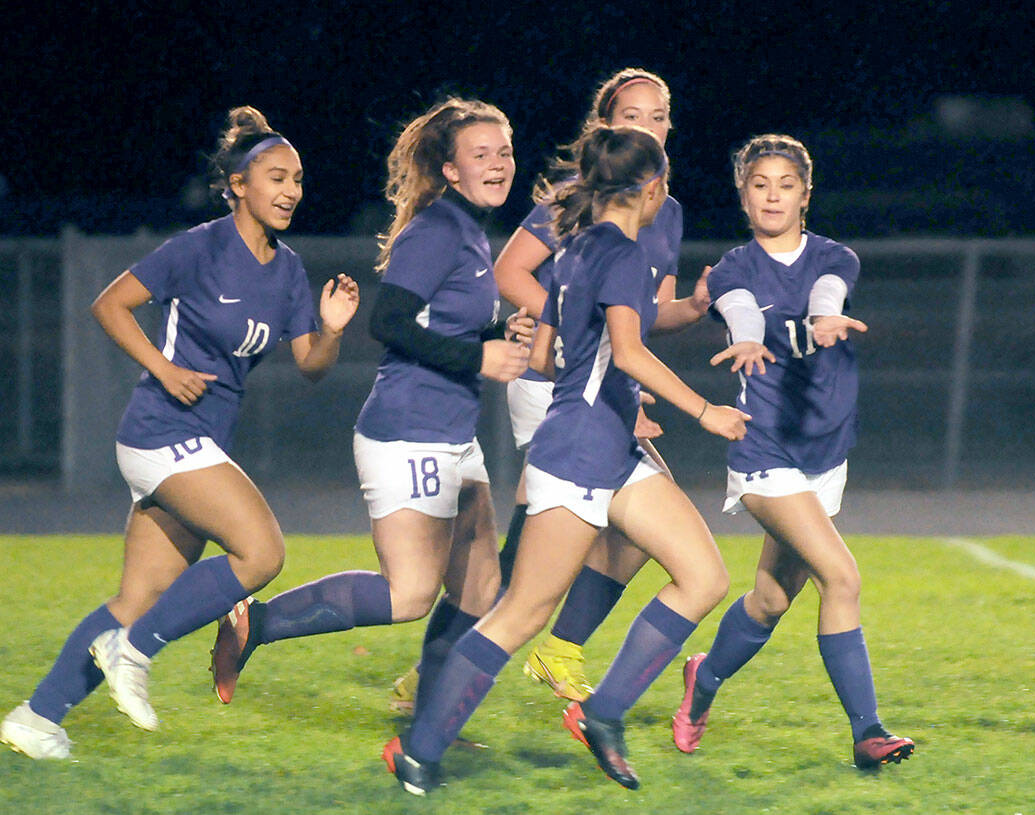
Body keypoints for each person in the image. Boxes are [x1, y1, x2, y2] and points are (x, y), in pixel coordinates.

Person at [382, 124, 747, 796]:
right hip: (579, 451)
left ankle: (601, 713)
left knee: (703, 576)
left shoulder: (575, 249)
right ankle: (418, 749)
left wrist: (586, 368)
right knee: (520, 613)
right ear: (652, 189)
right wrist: (706, 412)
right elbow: (630, 352)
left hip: (611, 445)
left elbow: (548, 355)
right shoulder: (627, 254)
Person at [0, 106, 360, 759]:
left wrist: (332, 329)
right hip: (159, 429)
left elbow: (310, 366)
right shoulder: (198, 247)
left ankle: (36, 715)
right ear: (238, 185)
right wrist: (162, 367)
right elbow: (109, 303)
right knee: (262, 552)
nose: (290, 191)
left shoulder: (286, 270)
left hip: (198, 442)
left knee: (139, 597)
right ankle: (133, 650)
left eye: (298, 179)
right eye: (275, 176)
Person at [208, 98, 534, 711]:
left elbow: (447, 328)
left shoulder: (471, 232)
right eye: (480, 155)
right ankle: (260, 622)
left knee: (482, 591)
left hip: (453, 435)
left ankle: (426, 717)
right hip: (408, 434)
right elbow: (388, 321)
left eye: (505, 153)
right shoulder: (437, 229)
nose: (498, 165)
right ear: (450, 170)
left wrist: (496, 337)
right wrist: (478, 358)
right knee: (410, 596)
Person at [669, 134, 914, 770]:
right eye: (759, 184)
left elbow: (828, 290)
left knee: (772, 600)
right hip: (764, 449)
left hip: (825, 453)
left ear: (806, 193)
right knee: (842, 577)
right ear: (743, 195)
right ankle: (868, 733)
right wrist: (748, 339)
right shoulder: (730, 270)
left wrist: (826, 318)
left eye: (785, 184)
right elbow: (742, 310)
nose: (772, 194)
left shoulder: (836, 257)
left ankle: (705, 680)